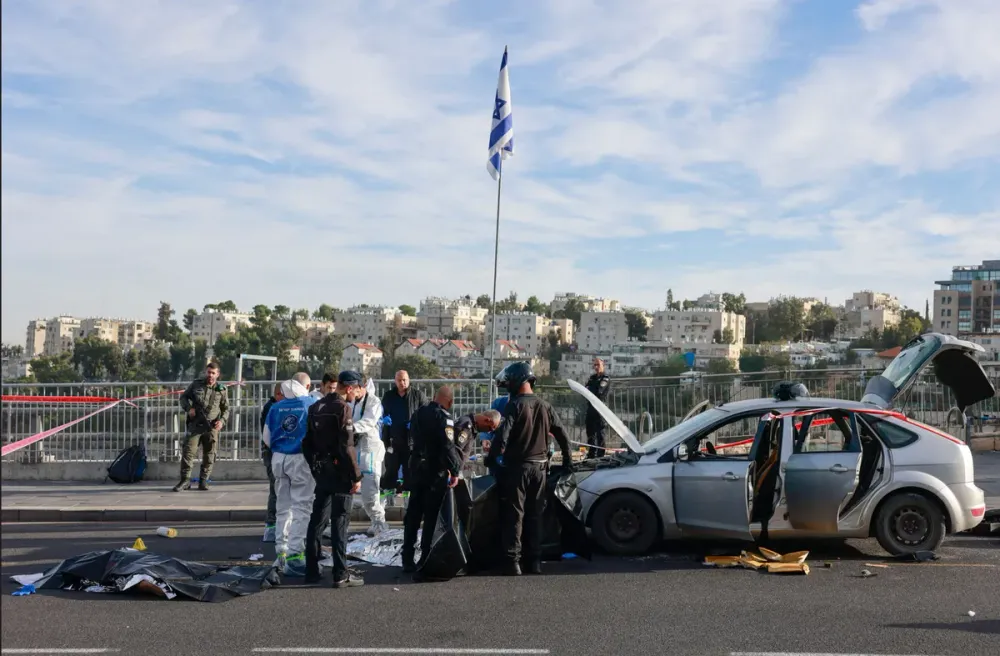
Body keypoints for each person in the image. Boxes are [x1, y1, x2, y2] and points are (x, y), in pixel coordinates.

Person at [486, 361, 573, 576]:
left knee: (515, 515)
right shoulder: (545, 406)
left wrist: (491, 459)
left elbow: (502, 436)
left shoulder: (514, 405)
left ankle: (512, 562)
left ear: (517, 382)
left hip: (518, 469)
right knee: (535, 516)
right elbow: (563, 435)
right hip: (541, 469)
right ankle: (534, 562)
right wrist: (568, 462)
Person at [303, 370, 365, 588]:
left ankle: (311, 569)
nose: (357, 396)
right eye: (357, 391)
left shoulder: (315, 408)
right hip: (339, 473)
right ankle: (340, 573)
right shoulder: (343, 408)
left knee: (317, 520)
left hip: (322, 472)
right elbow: (347, 448)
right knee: (340, 522)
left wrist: (315, 468)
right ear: (349, 388)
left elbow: (306, 444)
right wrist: (356, 475)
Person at [401, 385, 463, 575]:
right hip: (435, 472)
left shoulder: (419, 413)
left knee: (413, 515)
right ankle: (425, 557)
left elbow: (411, 436)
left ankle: (407, 557)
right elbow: (448, 446)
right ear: (449, 401)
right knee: (430, 517)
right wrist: (456, 470)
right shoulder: (445, 418)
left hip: (416, 468)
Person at [262, 372, 318, 576]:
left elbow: (266, 437)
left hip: (278, 458)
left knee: (283, 507)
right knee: (302, 507)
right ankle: (295, 556)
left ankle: (281, 552)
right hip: (300, 458)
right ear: (307, 386)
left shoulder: (276, 407)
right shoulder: (310, 404)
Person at [174, 362, 230, 492]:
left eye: (213, 373)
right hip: (196, 426)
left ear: (218, 374)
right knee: (188, 452)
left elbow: (226, 409)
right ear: (206, 372)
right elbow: (183, 397)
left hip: (211, 427)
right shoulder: (196, 384)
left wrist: (221, 421)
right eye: (208, 372)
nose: (210, 375)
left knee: (209, 454)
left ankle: (203, 481)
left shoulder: (222, 390)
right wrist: (189, 409)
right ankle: (185, 481)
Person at [380, 369, 427, 493]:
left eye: (404, 380)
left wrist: (416, 424)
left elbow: (426, 414)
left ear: (409, 380)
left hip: (411, 441)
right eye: (399, 380)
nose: (402, 382)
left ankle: (407, 501)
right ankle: (388, 499)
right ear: (395, 381)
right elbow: (381, 412)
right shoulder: (388, 396)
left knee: (409, 472)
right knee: (390, 470)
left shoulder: (418, 395)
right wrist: (383, 418)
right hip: (392, 440)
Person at [353, 376, 387, 536]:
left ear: (362, 387)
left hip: (370, 451)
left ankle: (380, 524)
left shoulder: (373, 402)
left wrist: (349, 428)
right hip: (354, 449)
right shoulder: (351, 401)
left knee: (370, 493)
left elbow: (368, 421)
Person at [260, 382, 283, 543]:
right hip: (271, 453)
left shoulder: (274, 407)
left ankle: (275, 525)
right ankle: (271, 524)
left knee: (278, 489)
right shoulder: (272, 408)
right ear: (278, 395)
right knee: (275, 489)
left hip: (275, 452)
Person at [584, 358, 612, 459]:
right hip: (591, 407)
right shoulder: (592, 378)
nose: (596, 367)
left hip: (600, 408)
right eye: (594, 365)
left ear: (603, 365)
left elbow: (599, 391)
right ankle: (591, 453)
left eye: (598, 365)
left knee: (600, 432)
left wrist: (591, 388)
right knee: (590, 431)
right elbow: (585, 389)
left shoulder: (606, 378)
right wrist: (592, 388)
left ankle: (601, 454)